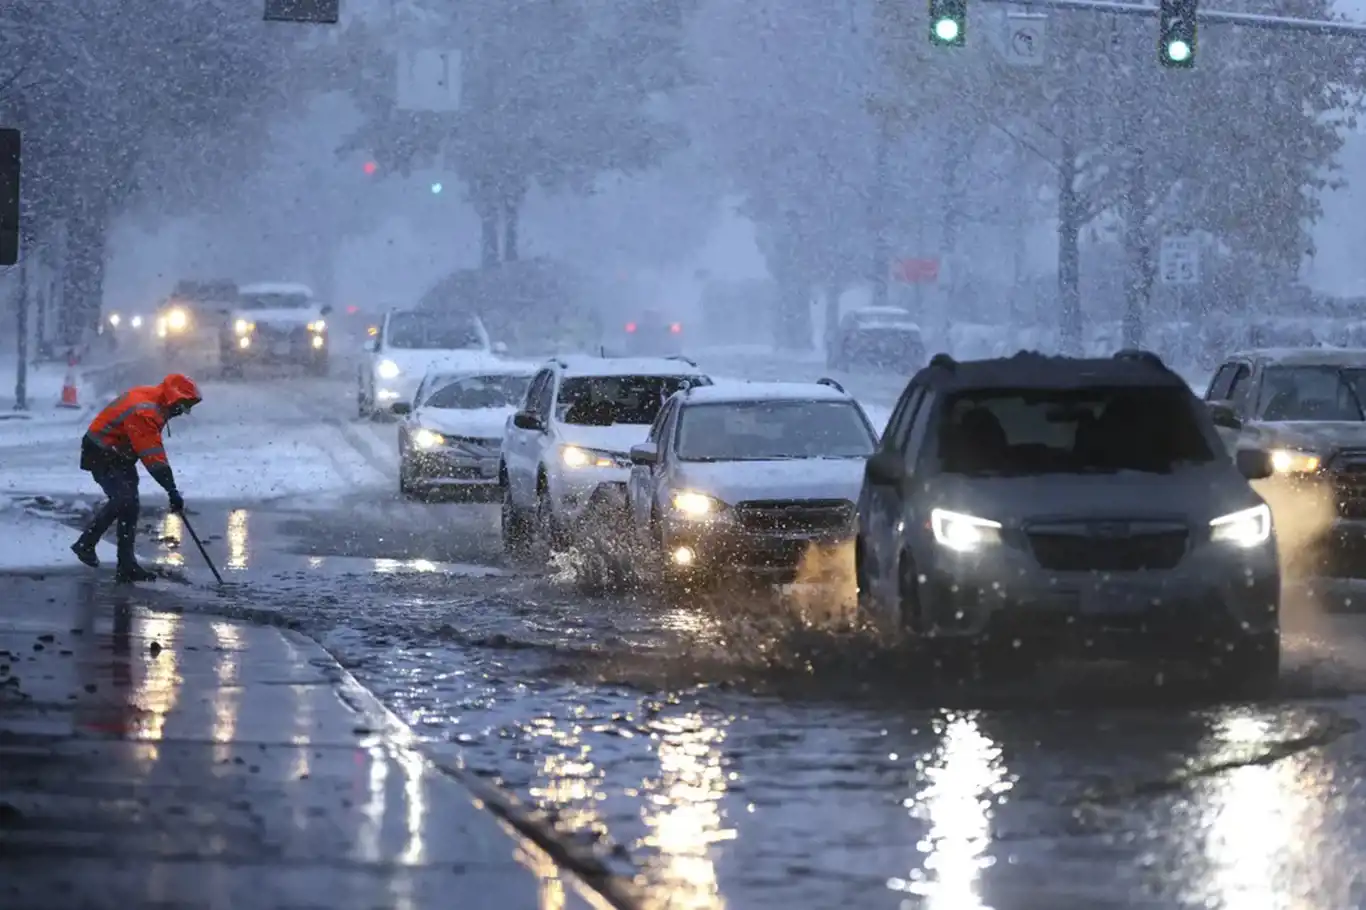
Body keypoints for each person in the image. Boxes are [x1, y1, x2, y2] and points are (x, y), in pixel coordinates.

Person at [70, 373, 202, 583]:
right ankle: (86, 544)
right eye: (184, 406)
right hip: (101, 452)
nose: (183, 412)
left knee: (130, 505)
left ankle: (126, 565)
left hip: (118, 453)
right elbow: (153, 456)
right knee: (124, 499)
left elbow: (150, 451)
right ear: (174, 399)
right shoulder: (145, 412)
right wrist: (172, 491)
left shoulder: (154, 400)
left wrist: (171, 489)